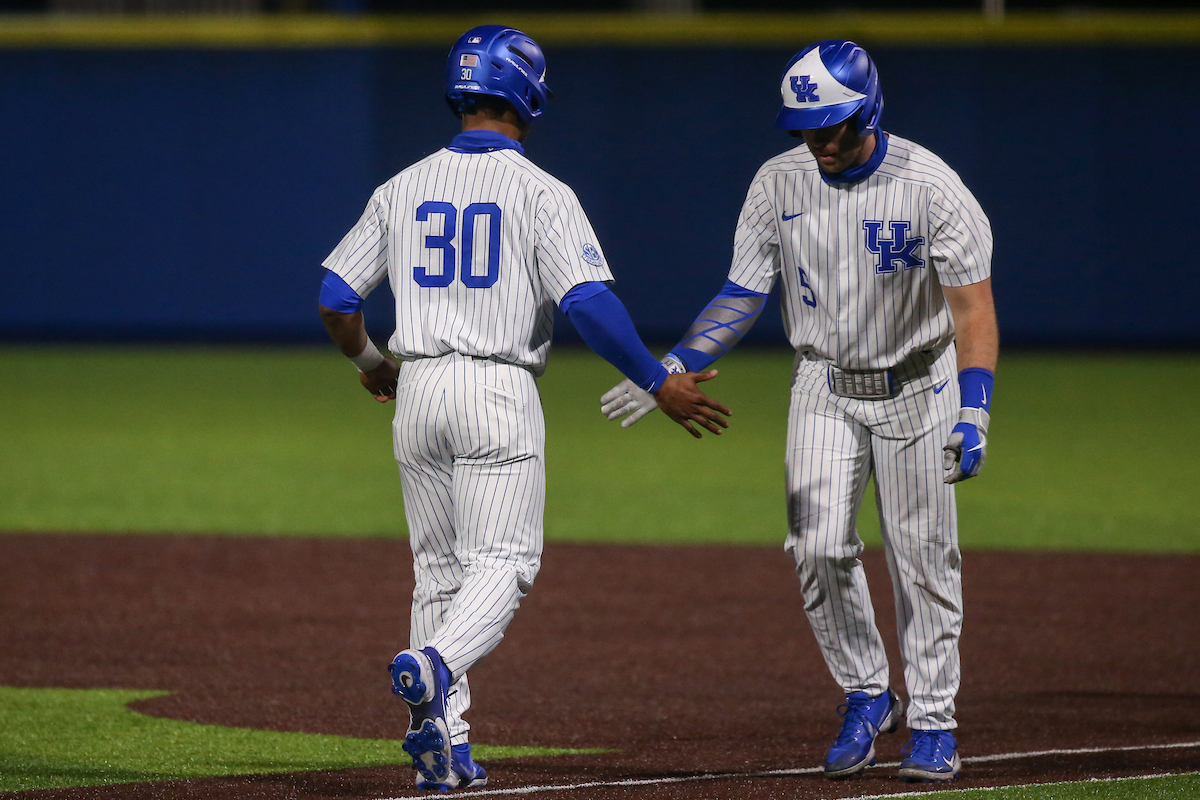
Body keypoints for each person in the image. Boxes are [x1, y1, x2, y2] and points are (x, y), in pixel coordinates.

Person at [318, 25, 730, 791]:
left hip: (419, 389)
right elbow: (589, 304)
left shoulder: (401, 185)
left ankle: (444, 748)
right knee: (505, 564)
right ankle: (433, 669)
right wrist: (655, 379)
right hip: (497, 389)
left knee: (438, 572)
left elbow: (337, 297)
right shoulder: (542, 192)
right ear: (528, 95)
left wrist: (374, 365)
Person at [601, 39, 996, 783]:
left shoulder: (932, 187)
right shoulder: (779, 182)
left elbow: (973, 310)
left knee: (922, 559)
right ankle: (868, 692)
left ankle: (935, 722)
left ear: (869, 111)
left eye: (833, 127)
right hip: (823, 383)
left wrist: (975, 409)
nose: (819, 142)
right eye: (806, 128)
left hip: (920, 385)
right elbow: (743, 292)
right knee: (815, 545)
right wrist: (675, 363)